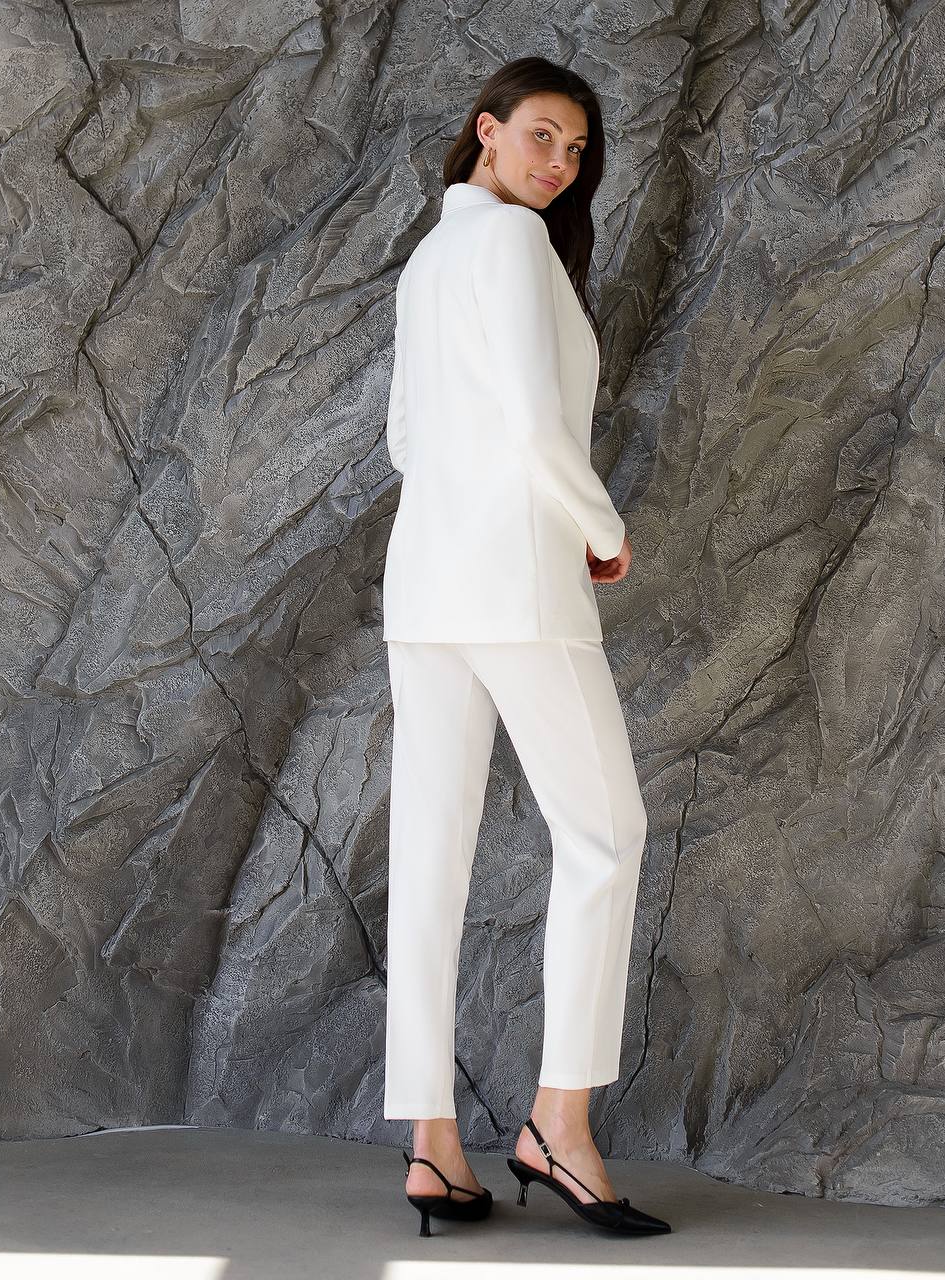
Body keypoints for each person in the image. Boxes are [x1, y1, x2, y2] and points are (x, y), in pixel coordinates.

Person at [381, 55, 671, 1239]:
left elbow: (405, 436)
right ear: (486, 132)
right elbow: (536, 425)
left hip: (426, 583)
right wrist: (600, 527)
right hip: (515, 579)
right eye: (542, 137)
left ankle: (432, 1146)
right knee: (605, 833)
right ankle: (560, 1120)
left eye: (577, 150)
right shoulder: (508, 246)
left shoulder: (431, 253)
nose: (559, 164)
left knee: (432, 852)